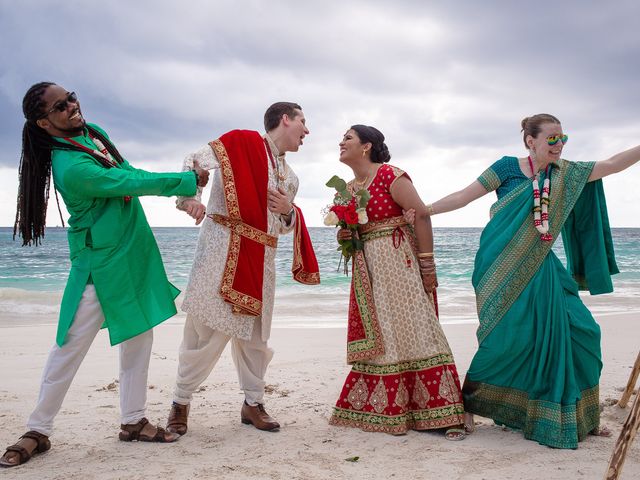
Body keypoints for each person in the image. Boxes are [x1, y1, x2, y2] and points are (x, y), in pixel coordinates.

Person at [0, 82, 211, 468]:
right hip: (100, 264)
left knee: (138, 338)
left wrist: (186, 197)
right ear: (44, 123)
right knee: (68, 347)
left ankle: (133, 421)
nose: (71, 107)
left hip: (132, 251)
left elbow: (127, 170)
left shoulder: (93, 133)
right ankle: (37, 430)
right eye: (60, 107)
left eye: (71, 97)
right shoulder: (71, 167)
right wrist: (184, 181)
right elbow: (123, 183)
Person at [427, 113, 640, 449]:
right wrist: (425, 211)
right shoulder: (506, 168)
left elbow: (613, 164)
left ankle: (582, 413)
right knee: (504, 339)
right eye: (552, 138)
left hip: (543, 265)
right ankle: (469, 403)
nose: (559, 145)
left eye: (562, 138)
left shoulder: (565, 173)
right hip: (499, 265)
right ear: (530, 140)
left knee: (584, 331)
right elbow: (463, 197)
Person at [165, 102, 319, 435]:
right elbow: (194, 161)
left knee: (256, 339)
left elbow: (279, 227)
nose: (307, 131)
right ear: (285, 119)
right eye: (303, 122)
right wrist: (190, 196)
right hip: (221, 250)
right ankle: (180, 402)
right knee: (203, 331)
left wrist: (290, 212)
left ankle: (253, 403)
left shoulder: (290, 178)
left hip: (262, 260)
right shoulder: (240, 142)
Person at [327, 125, 466, 439]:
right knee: (381, 329)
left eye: (347, 137)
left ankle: (441, 412)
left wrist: (427, 264)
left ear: (366, 146)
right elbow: (348, 230)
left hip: (398, 260)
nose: (341, 142)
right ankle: (384, 408)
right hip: (368, 269)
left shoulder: (392, 176)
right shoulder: (346, 189)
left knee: (413, 325)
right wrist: (346, 234)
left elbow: (421, 216)